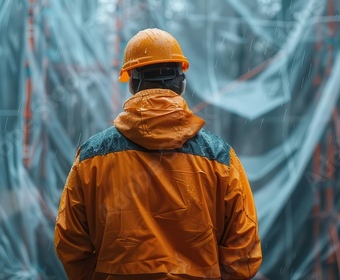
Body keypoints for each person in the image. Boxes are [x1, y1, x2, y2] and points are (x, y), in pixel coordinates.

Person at [54, 28, 262, 280]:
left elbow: (70, 243)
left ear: (132, 83)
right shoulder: (220, 157)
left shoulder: (92, 156)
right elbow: (245, 249)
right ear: (181, 82)